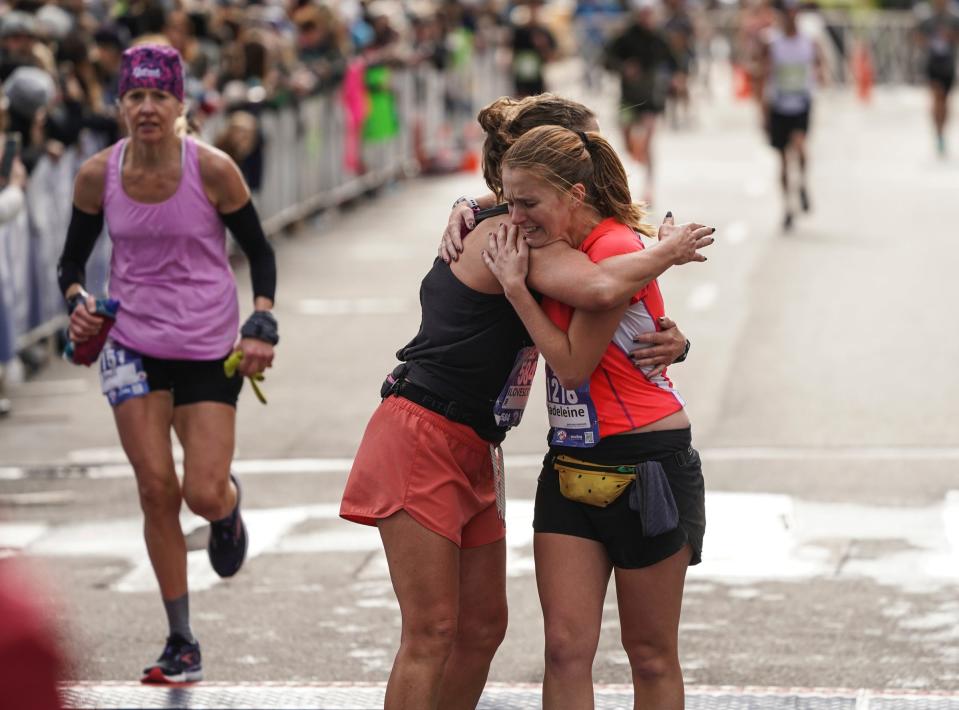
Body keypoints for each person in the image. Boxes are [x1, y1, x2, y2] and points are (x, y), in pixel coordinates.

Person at [340, 92, 713, 710]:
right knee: (433, 630)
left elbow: (614, 302)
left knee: (483, 628)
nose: (592, 165)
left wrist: (674, 335)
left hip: (479, 440)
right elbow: (597, 289)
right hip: (423, 429)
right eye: (578, 153)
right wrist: (665, 254)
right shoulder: (511, 236)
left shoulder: (530, 227)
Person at [55, 44, 278, 684]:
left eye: (159, 97)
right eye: (135, 97)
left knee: (201, 491)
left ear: (181, 104)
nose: (147, 108)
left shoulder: (213, 170)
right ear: (120, 104)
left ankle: (228, 508)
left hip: (209, 345)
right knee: (156, 488)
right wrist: (79, 304)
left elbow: (260, 251)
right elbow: (70, 264)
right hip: (132, 344)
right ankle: (181, 638)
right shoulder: (99, 174)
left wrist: (261, 316)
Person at [482, 124, 705, 710]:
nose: (516, 216)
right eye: (509, 200)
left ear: (574, 196)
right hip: (571, 460)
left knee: (650, 654)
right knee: (563, 649)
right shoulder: (558, 243)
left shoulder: (612, 249)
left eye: (528, 203)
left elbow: (575, 365)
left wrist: (518, 293)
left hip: (647, 462)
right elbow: (508, 201)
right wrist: (466, 206)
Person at [604, 0, 679, 205]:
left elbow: (675, 62)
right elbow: (607, 59)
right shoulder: (625, 37)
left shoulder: (659, 38)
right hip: (628, 98)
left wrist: (676, 78)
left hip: (652, 98)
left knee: (648, 141)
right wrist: (624, 68)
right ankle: (636, 156)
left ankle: (648, 186)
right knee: (627, 138)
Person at [758, 0, 824, 232]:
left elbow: (819, 62)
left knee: (801, 146)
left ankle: (803, 183)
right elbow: (764, 75)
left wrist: (820, 76)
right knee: (784, 160)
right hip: (779, 105)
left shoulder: (808, 41)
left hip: (801, 102)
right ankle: (787, 206)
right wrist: (763, 110)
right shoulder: (772, 42)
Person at [914, 0, 959, 157]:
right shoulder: (926, 19)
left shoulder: (954, 19)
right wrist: (929, 40)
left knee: (945, 103)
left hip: (948, 67)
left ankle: (942, 132)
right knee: (936, 99)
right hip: (933, 66)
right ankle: (938, 133)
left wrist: (950, 37)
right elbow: (917, 38)